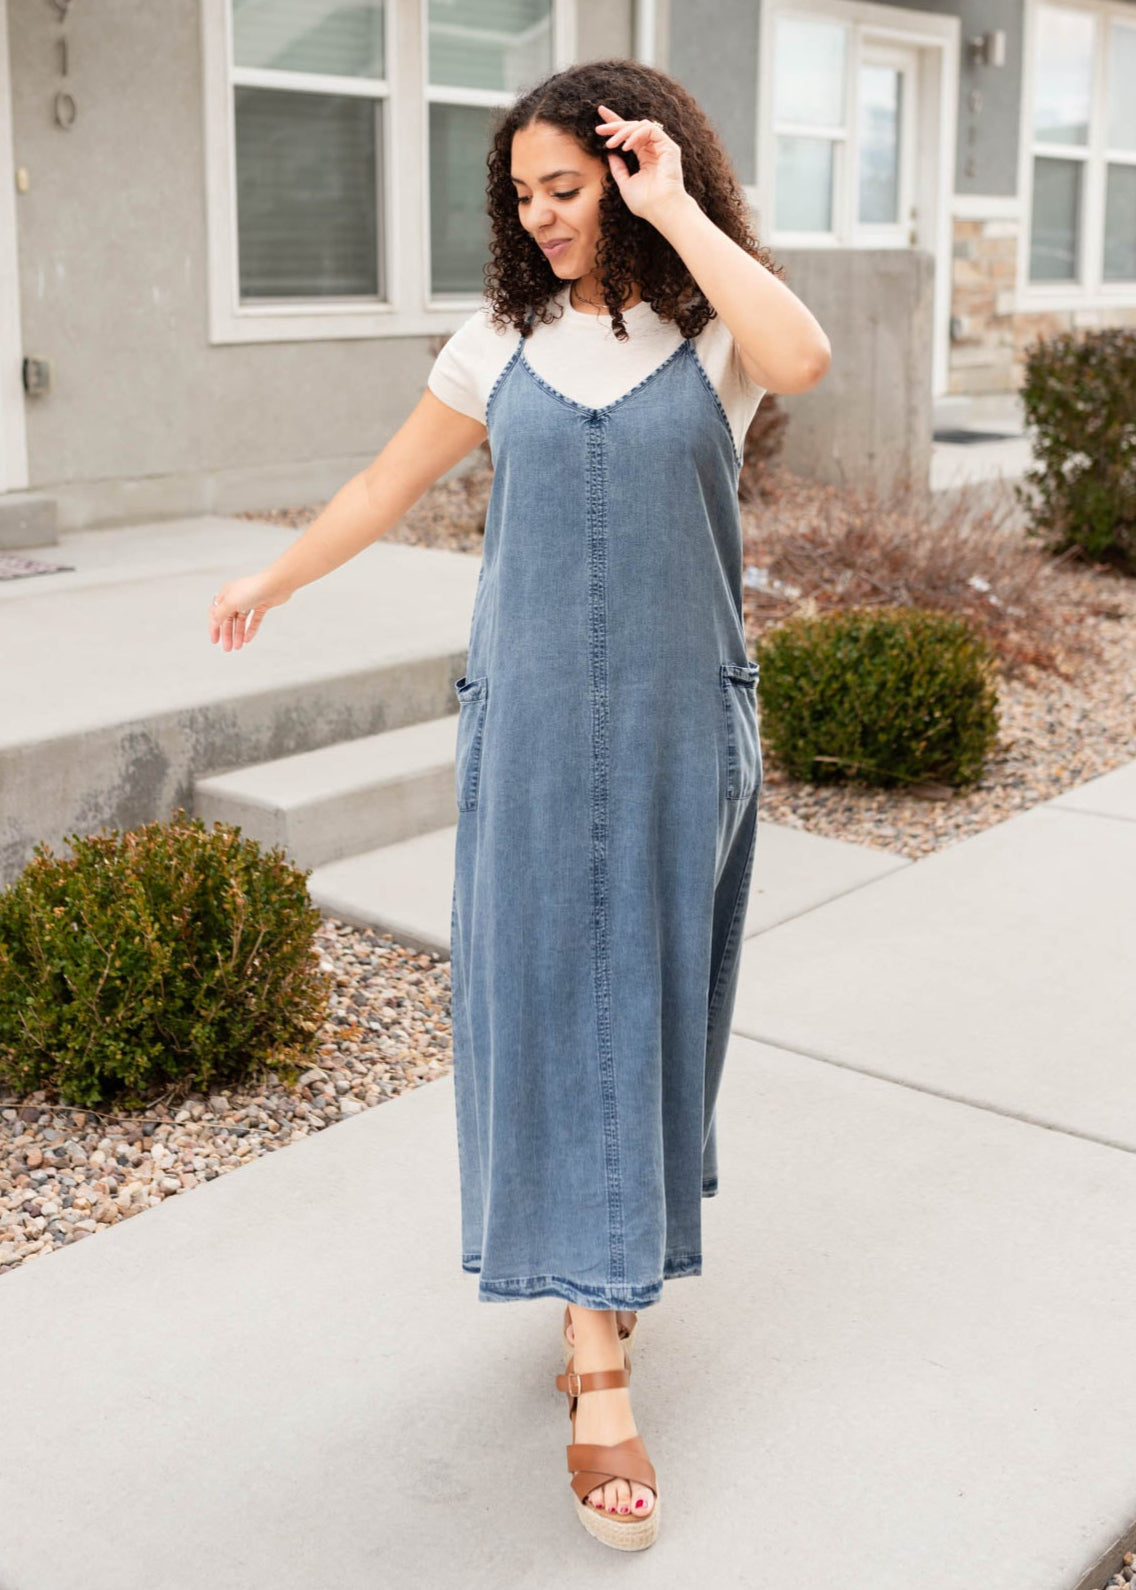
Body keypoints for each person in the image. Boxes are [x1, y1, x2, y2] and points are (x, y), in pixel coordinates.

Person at [207, 58, 830, 1553]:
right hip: (538, 734)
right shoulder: (497, 342)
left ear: (626, 173)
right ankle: (598, 1362)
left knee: (653, 1010)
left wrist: (677, 208)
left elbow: (801, 355)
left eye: (570, 186)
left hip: (685, 728)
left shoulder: (708, 333)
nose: (545, 217)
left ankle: (600, 1285)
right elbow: (378, 488)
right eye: (526, 195)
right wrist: (270, 579)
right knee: (555, 1006)